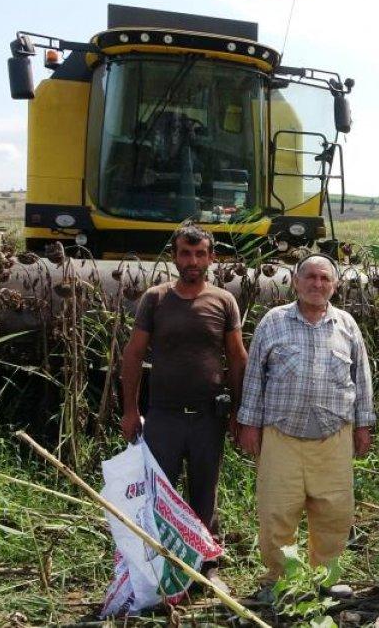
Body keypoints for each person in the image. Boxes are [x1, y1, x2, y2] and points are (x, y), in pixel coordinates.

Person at [236, 255, 375, 600]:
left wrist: (363, 425)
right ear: (296, 281)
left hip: (334, 436)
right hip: (281, 434)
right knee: (276, 512)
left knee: (334, 511)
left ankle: (326, 577)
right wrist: (249, 423)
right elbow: (254, 376)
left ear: (335, 285)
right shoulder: (274, 321)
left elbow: (361, 377)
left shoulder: (346, 325)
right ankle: (280, 580)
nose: (317, 284)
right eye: (310, 277)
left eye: (325, 278)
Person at [120, 225, 247, 592]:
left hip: (208, 417)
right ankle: (161, 566)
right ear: (174, 256)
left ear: (211, 258)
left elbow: (237, 358)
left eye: (200, 254)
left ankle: (207, 567)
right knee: (160, 494)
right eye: (185, 254)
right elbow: (134, 354)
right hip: (164, 416)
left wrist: (238, 412)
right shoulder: (156, 299)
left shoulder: (224, 301)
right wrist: (130, 410)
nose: (193, 261)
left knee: (205, 493)